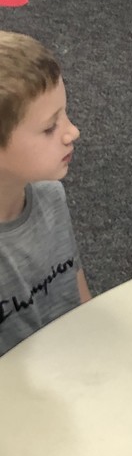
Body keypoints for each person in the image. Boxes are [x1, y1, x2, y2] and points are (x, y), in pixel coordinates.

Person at [0, 32, 90, 355]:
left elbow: (82, 309)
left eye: (64, 113)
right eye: (50, 127)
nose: (72, 132)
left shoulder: (51, 196)